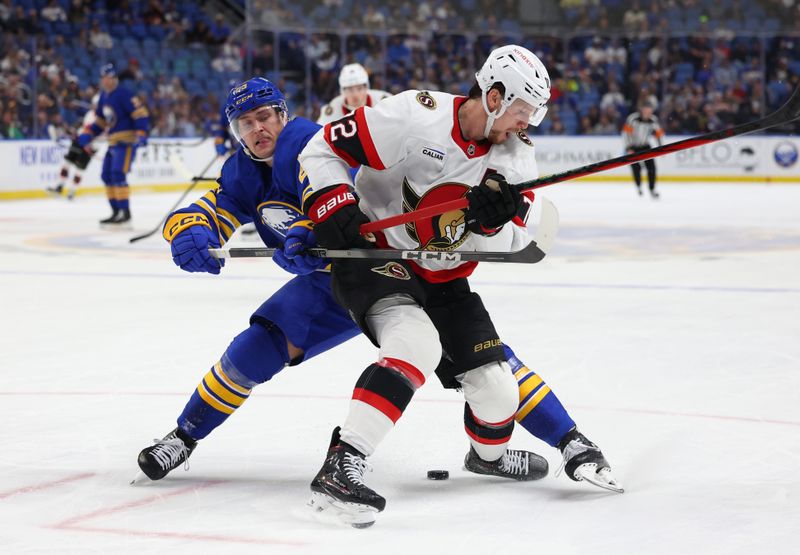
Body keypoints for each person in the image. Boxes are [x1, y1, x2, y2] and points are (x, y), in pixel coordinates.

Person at [135, 75, 618, 508]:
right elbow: (219, 206)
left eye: (265, 116)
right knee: (254, 351)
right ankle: (183, 436)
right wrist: (191, 230)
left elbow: (333, 184)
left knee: (486, 368)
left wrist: (315, 229)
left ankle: (545, 441)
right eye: (246, 122)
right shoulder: (242, 170)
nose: (258, 129)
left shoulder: (302, 140)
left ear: (283, 113)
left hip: (380, 262)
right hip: (332, 281)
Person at [298, 45, 621, 527]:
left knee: (498, 394)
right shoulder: (414, 115)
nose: (526, 123)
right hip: (378, 257)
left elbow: (518, 242)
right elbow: (320, 148)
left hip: (445, 278)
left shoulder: (515, 160)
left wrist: (494, 225)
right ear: (493, 96)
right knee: (416, 344)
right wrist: (333, 203)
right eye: (521, 111)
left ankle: (485, 458)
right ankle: (342, 464)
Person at [76, 63, 150, 226]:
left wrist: (142, 133)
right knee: (106, 176)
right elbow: (101, 122)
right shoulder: (104, 96)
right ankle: (116, 211)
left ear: (114, 78)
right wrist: (88, 134)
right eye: (104, 78)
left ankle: (125, 212)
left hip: (126, 141)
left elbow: (140, 114)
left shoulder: (124, 94)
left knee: (118, 174)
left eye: (110, 78)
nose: (107, 81)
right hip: (112, 142)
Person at [46, 93, 99, 200]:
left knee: (80, 169)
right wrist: (76, 133)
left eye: (96, 104)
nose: (94, 106)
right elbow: (84, 127)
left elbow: (100, 133)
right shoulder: (89, 114)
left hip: (91, 145)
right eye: (94, 104)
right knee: (67, 163)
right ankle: (59, 186)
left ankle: (72, 191)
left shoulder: (102, 118)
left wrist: (91, 145)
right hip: (79, 141)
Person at [316, 63, 390, 126]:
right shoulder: (333, 109)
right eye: (350, 90)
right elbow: (319, 135)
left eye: (359, 88)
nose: (355, 94)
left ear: (366, 87)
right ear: (343, 91)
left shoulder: (384, 101)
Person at [623, 100, 664, 198]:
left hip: (645, 146)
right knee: (636, 168)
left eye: (649, 110)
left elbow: (658, 133)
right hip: (633, 146)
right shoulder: (633, 118)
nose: (647, 112)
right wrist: (629, 147)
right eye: (645, 110)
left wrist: (660, 146)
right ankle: (639, 187)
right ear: (641, 109)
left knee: (652, 168)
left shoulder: (653, 120)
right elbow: (626, 133)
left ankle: (652, 189)